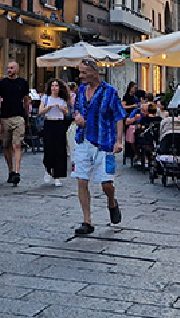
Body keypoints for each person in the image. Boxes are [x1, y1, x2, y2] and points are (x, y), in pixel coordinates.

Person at [70, 59, 126, 236]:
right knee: (81, 179)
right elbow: (76, 109)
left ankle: (111, 201)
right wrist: (77, 117)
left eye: (83, 72)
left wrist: (118, 141)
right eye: (80, 72)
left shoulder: (110, 92)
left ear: (95, 72)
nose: (80, 76)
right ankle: (87, 221)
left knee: (106, 184)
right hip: (83, 140)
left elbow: (118, 116)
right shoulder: (80, 90)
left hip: (104, 142)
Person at [0, 61, 31, 186]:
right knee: (6, 145)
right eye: (8, 68)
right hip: (5, 117)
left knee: (17, 145)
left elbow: (26, 101)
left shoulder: (23, 83)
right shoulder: (1, 84)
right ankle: (10, 170)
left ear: (17, 69)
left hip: (18, 116)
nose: (9, 70)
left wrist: (27, 117)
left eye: (11, 68)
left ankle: (17, 171)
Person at [39, 79, 70, 186]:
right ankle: (48, 170)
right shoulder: (46, 98)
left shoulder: (63, 99)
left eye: (56, 85)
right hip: (49, 123)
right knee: (48, 148)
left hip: (59, 124)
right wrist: (48, 107)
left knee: (59, 150)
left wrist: (61, 108)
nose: (54, 88)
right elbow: (40, 111)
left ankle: (57, 175)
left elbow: (66, 112)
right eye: (52, 85)